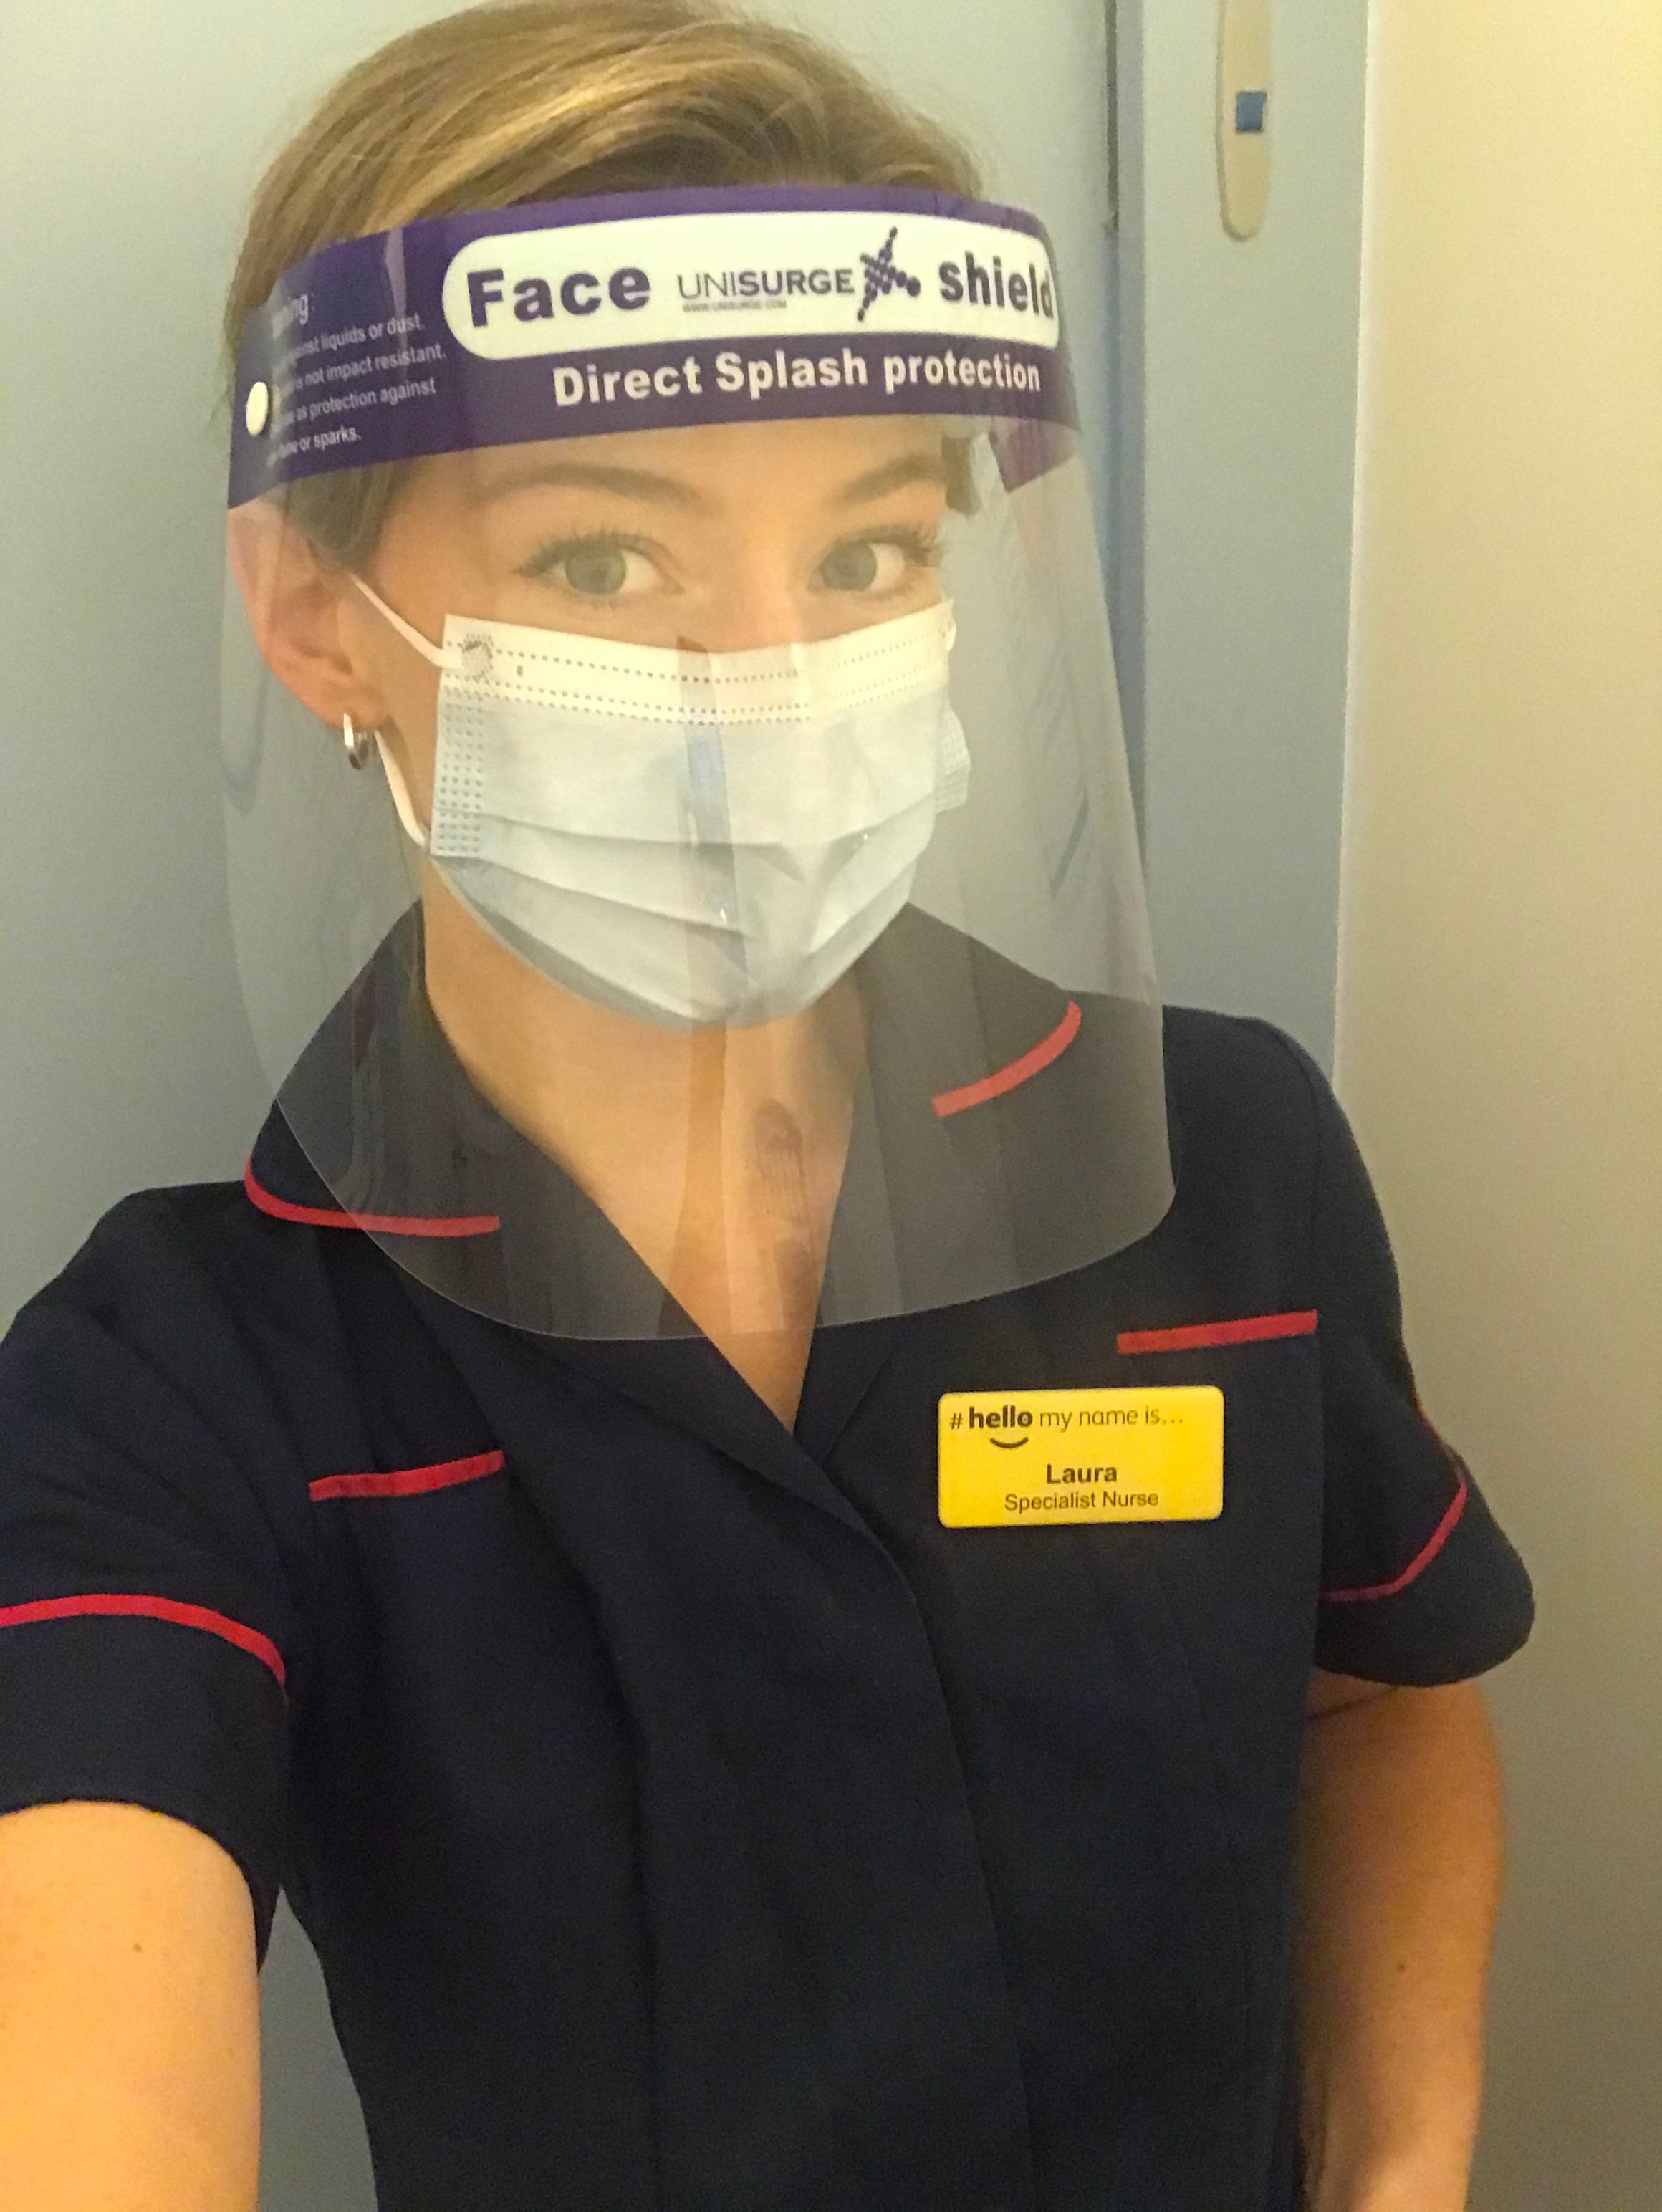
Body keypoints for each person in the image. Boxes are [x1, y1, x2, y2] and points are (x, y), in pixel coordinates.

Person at [0, 4, 1532, 2208]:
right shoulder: (183, 1388)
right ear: (316, 618)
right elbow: (88, 2033)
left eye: (869, 550)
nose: (768, 677)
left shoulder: (1220, 1161)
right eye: (602, 561)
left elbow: (1378, 1701)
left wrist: (1401, 2174)